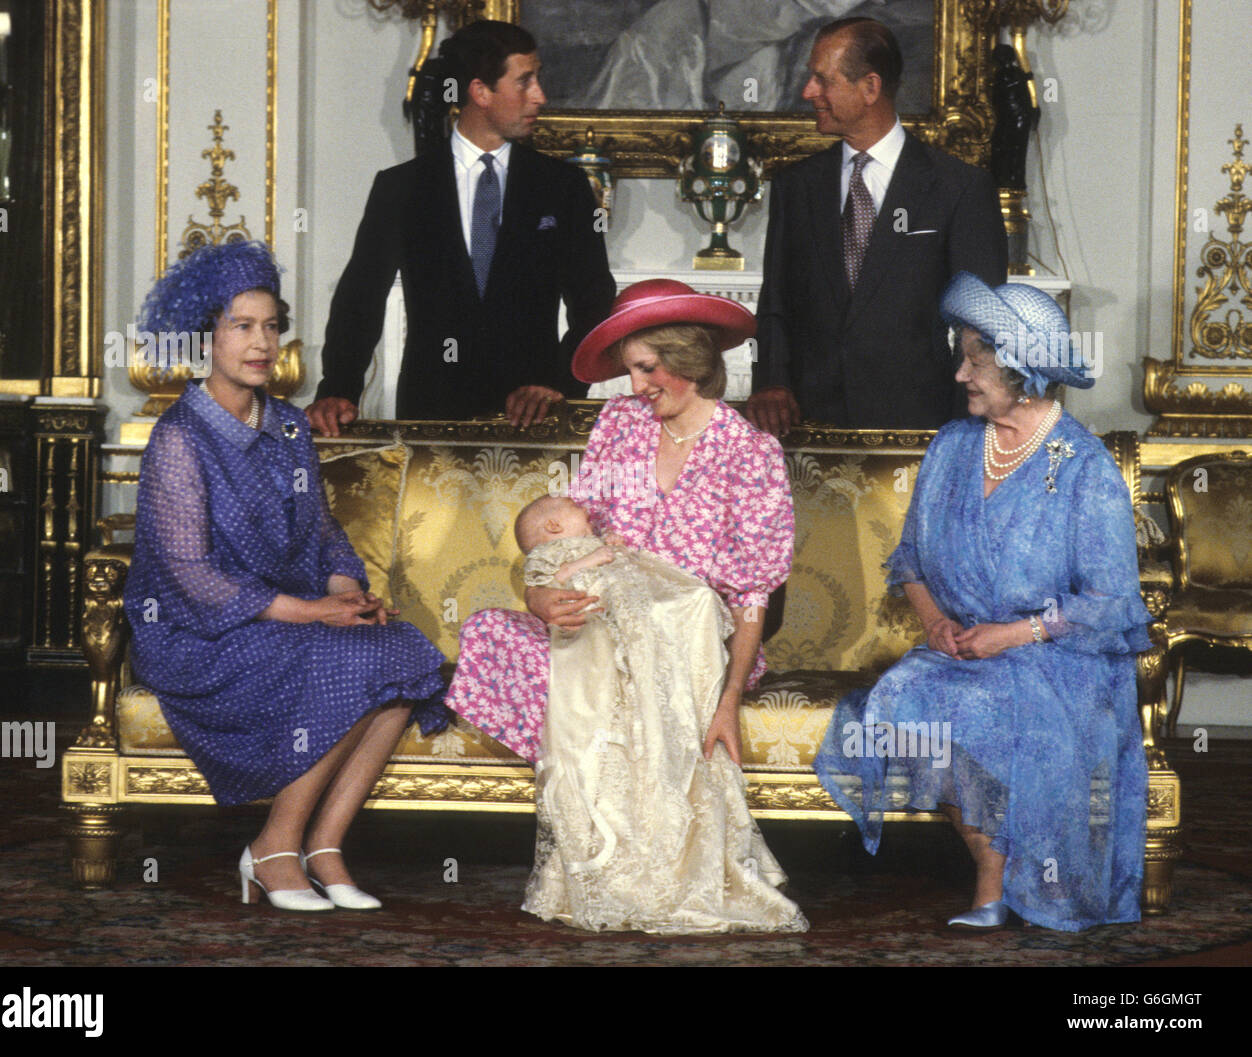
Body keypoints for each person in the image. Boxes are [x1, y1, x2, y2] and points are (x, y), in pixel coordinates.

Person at [446, 278, 805, 930]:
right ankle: (602, 852)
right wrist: (540, 593)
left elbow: (753, 595)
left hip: (694, 639)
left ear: (688, 359)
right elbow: (573, 533)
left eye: (645, 368)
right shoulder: (618, 425)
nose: (635, 384)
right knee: (488, 630)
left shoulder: (750, 452)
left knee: (638, 690)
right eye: (630, 370)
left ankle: (651, 872)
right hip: (604, 612)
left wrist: (726, 699)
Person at [811, 272, 1151, 932]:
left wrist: (1013, 633)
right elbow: (909, 558)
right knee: (897, 704)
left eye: (976, 358)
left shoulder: (1083, 466)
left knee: (989, 711)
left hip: (1061, 659)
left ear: (1021, 367)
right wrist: (936, 619)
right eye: (962, 354)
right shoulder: (954, 445)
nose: (961, 372)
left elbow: (1110, 601)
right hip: (964, 651)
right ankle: (999, 871)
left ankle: (994, 883)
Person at [124, 241, 447, 912]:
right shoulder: (179, 438)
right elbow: (190, 576)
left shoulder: (292, 428)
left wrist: (341, 590)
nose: (262, 342)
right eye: (242, 326)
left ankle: (324, 845)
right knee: (338, 661)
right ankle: (273, 846)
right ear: (203, 336)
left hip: (285, 612)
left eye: (271, 325)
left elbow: (323, 531)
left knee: (401, 648)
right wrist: (308, 615)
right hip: (197, 634)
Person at [512, 494, 806, 932]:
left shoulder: (745, 458)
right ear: (555, 527)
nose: (578, 502)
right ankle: (635, 864)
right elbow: (550, 577)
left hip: (666, 611)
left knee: (695, 603)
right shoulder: (594, 496)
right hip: (601, 625)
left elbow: (750, 586)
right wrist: (584, 564)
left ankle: (687, 853)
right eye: (565, 505)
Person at [308, 19, 615, 434]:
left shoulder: (564, 187)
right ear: (481, 92)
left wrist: (559, 385)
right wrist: (338, 388)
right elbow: (360, 298)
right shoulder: (400, 187)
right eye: (525, 82)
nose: (540, 96)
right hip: (430, 418)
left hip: (537, 422)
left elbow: (595, 301)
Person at [749, 16, 1008, 434]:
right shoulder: (795, 185)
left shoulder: (958, 187)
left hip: (922, 428)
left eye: (822, 80)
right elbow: (775, 302)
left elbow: (981, 323)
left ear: (870, 87)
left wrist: (966, 433)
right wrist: (771, 382)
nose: (808, 92)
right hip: (809, 428)